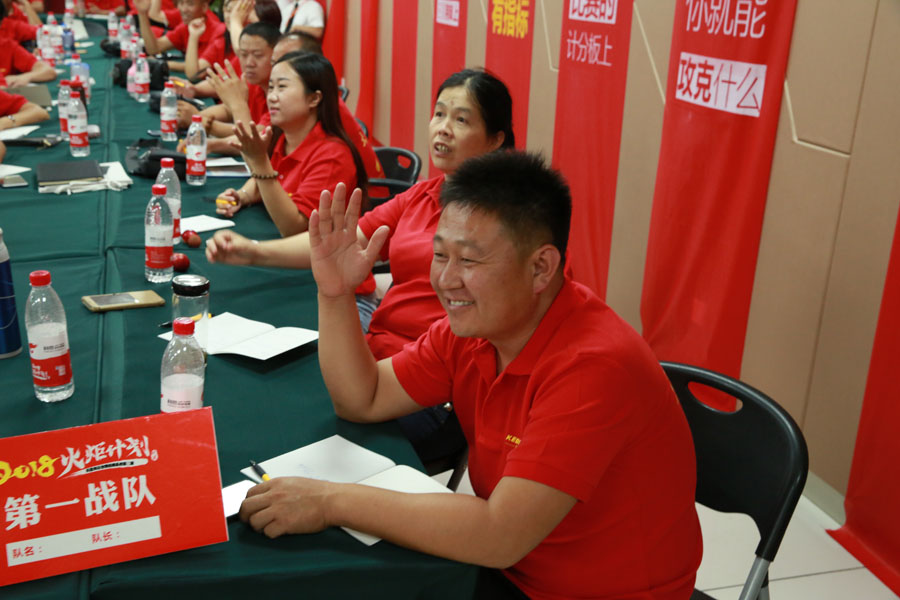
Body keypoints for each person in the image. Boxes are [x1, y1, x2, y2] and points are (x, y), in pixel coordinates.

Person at [239, 152, 704, 599]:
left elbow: (498, 535)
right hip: (512, 568)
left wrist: (329, 502)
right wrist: (335, 293)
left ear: (541, 267)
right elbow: (364, 398)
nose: (445, 280)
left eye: (469, 260)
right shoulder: (475, 328)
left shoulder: (594, 368)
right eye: (440, 255)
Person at [206, 68, 513, 460]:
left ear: (496, 139)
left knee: (300, 430)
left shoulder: (503, 221)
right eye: (439, 114)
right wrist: (253, 251)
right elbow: (340, 245)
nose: (443, 128)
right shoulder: (423, 193)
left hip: (429, 387)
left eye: (461, 119)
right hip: (375, 351)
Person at [216, 51, 366, 237]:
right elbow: (273, 179)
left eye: (282, 87)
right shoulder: (282, 137)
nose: (272, 97)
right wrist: (243, 195)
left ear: (314, 98)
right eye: (271, 87)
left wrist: (260, 162)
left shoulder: (333, 156)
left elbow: (294, 228)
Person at [267, 32, 382, 181]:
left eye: (282, 85)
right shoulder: (286, 131)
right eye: (274, 62)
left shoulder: (332, 151)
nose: (278, 67)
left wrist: (258, 162)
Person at [133, 0, 225, 72]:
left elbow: (196, 71)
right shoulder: (186, 26)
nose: (183, 9)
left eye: (190, 4)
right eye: (181, 3)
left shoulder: (218, 31)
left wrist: (164, 64)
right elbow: (154, 48)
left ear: (204, 7)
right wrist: (142, 14)